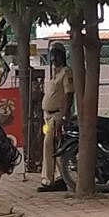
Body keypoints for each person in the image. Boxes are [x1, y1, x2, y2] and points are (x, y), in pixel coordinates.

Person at [38, 43, 74, 192]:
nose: (54, 59)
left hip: (57, 115)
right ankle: (60, 178)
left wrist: (63, 116)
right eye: (52, 55)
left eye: (57, 55)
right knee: (54, 146)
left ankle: (49, 180)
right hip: (48, 115)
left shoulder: (66, 72)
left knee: (48, 145)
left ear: (62, 56)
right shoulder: (55, 73)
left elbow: (69, 95)